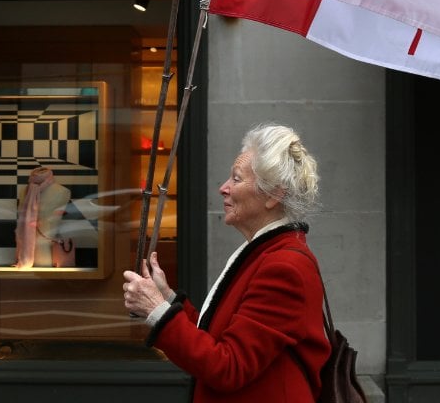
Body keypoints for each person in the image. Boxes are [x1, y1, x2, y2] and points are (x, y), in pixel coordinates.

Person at [123, 124, 331, 402]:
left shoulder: (284, 267)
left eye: (236, 179)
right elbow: (217, 340)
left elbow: (228, 367)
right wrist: (167, 299)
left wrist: (156, 310)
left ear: (273, 195)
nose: (224, 188)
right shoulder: (267, 253)